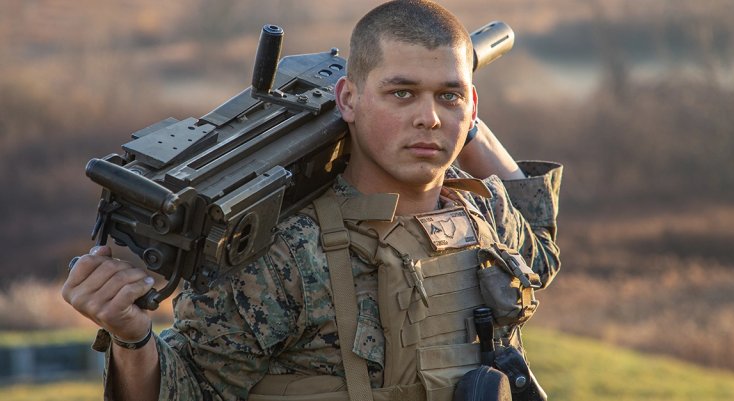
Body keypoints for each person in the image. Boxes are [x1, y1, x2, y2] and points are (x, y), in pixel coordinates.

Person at [62, 1, 563, 400]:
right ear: (348, 99)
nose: (429, 118)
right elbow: (191, 390)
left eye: (449, 96)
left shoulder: (484, 212)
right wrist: (131, 337)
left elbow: (541, 248)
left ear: (474, 106)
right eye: (402, 94)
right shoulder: (286, 253)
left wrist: (466, 125)